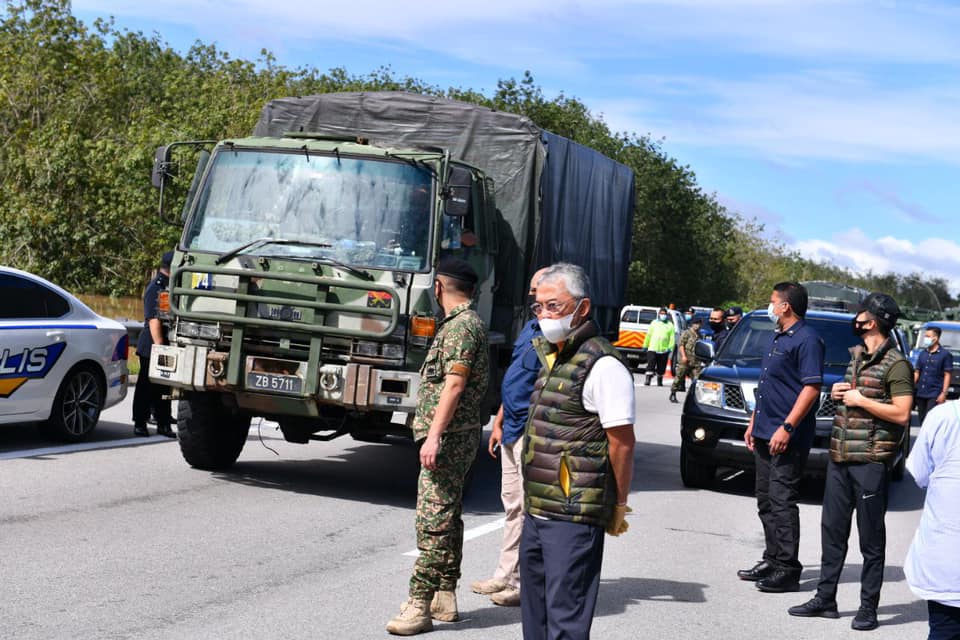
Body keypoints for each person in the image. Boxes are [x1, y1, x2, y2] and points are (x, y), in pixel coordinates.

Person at [520, 262, 636, 640]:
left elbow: (621, 441)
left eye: (554, 306)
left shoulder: (602, 365)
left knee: (565, 620)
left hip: (573, 514)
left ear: (582, 308)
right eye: (538, 307)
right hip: (538, 509)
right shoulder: (554, 357)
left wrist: (617, 504)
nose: (544, 315)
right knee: (535, 616)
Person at [788, 293, 914, 631]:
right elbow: (862, 401)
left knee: (870, 539)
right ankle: (825, 599)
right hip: (840, 458)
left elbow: (902, 413)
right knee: (832, 531)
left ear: (872, 321)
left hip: (870, 462)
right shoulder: (857, 357)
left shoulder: (897, 364)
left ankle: (868, 608)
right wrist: (844, 393)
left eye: (861, 314)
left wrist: (860, 399)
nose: (856, 318)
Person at [386, 257, 489, 636]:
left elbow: (455, 385)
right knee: (448, 515)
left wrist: (433, 435)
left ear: (440, 287)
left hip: (447, 438)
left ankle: (419, 603)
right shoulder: (464, 324)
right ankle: (444, 595)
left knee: (433, 520)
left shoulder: (462, 327)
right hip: (455, 435)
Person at [739, 282, 824, 593]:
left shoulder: (808, 339)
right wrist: (752, 422)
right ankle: (772, 559)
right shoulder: (778, 336)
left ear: (786, 306)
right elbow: (768, 386)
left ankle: (788, 569)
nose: (770, 305)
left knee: (782, 500)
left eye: (773, 301)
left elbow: (812, 388)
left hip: (786, 435)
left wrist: (787, 427)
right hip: (763, 430)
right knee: (765, 499)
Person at [471, 267, 548, 607]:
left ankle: (522, 582)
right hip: (512, 427)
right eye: (532, 291)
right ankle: (505, 575)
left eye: (539, 291)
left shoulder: (558, 335)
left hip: (533, 431)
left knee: (529, 509)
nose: (533, 297)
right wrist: (500, 419)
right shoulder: (530, 327)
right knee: (512, 505)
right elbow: (517, 376)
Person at [904, 400, 960, 640]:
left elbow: (919, 473)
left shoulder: (944, 416)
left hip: (947, 564)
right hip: (947, 564)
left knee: (945, 630)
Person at [132, 251, 176, 438]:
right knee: (146, 387)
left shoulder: (170, 286)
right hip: (153, 346)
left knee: (164, 387)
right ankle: (140, 423)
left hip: (163, 345)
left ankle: (163, 423)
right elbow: (154, 320)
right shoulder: (157, 287)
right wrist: (160, 347)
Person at [915, 327, 953, 425]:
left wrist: (944, 394)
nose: (925, 338)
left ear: (935, 338)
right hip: (921, 393)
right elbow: (917, 372)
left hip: (934, 393)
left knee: (931, 420)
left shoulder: (945, 355)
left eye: (928, 336)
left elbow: (947, 374)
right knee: (922, 419)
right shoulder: (923, 353)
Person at [670, 315, 703, 403]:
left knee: (697, 380)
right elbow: (681, 345)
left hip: (696, 361)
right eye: (695, 323)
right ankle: (673, 393)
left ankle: (693, 398)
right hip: (686, 360)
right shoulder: (686, 333)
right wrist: (683, 356)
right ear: (692, 324)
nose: (697, 325)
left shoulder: (700, 335)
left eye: (699, 324)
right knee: (679, 377)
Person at [643, 306, 675, 386]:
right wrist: (645, 345)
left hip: (663, 350)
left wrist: (670, 348)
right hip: (652, 348)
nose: (663, 315)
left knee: (661, 367)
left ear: (667, 315)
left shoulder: (670, 325)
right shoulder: (654, 323)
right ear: (659, 314)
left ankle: (659, 380)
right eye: (661, 313)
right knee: (651, 364)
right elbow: (649, 335)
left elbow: (672, 338)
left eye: (664, 314)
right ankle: (648, 379)